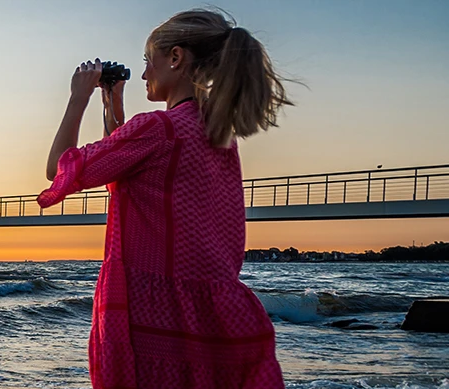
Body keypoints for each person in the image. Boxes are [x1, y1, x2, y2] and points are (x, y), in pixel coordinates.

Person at [39, 8, 292, 388]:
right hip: (214, 315)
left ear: (176, 58)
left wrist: (78, 98)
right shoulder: (215, 132)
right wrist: (114, 109)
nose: (143, 74)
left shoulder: (157, 129)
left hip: (153, 314)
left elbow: (59, 168)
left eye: (148, 62)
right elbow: (127, 174)